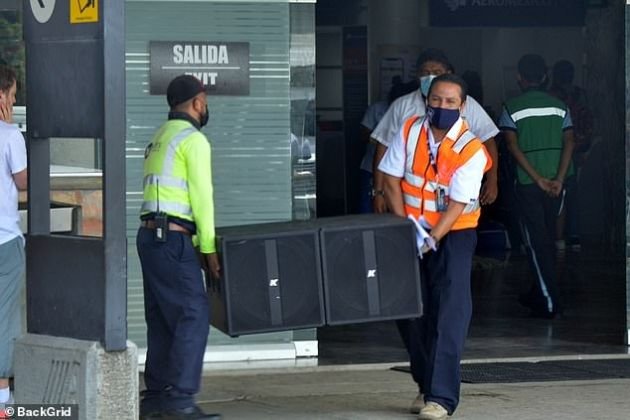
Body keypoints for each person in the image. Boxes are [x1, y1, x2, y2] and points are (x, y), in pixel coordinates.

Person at [379, 74, 491, 420]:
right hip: (411, 228)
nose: (442, 107)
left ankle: (441, 398)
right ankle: (425, 383)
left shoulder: (471, 149)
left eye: (451, 102)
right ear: (427, 100)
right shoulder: (410, 129)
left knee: (449, 310)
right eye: (437, 100)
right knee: (407, 307)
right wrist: (405, 227)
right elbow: (391, 181)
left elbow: (458, 203)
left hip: (454, 233)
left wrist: (432, 239)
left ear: (463, 106)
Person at [137, 75, 221, 420]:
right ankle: (181, 401)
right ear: (197, 103)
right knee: (193, 313)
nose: (206, 107)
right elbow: (203, 197)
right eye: (204, 100)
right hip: (173, 238)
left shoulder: (160, 136)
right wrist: (209, 249)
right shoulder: (193, 139)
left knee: (161, 317)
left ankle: (157, 396)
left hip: (150, 237)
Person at [370, 48, 499, 215]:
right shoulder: (402, 106)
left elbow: (488, 140)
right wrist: (379, 192)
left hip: (457, 207)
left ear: (448, 73)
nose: (431, 77)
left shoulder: (466, 103)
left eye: (437, 72)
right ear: (417, 75)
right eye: (425, 72)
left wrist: (492, 180)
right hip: (412, 204)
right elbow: (383, 148)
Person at [498, 54, 574, 319]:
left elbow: (511, 146)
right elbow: (570, 143)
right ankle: (536, 292)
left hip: (530, 183)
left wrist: (537, 178)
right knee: (549, 240)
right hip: (558, 184)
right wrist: (560, 179)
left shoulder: (511, 106)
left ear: (519, 77)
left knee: (535, 242)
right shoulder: (560, 106)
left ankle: (550, 301)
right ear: (544, 77)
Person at [0, 65, 27, 409]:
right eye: (14, 95)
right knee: (3, 316)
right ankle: (3, 399)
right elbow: (24, 182)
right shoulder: (9, 136)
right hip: (4, 240)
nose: (15, 100)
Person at [549, 59, 593, 251]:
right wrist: (584, 146)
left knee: (553, 194)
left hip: (554, 150)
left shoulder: (551, 96)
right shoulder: (580, 96)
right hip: (577, 150)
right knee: (571, 195)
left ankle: (557, 237)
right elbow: (589, 123)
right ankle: (573, 235)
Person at [358, 78, 417, 213]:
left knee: (397, 205)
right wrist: (380, 139)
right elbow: (363, 133)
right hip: (372, 167)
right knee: (369, 206)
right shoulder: (377, 108)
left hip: (400, 171)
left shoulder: (410, 111)